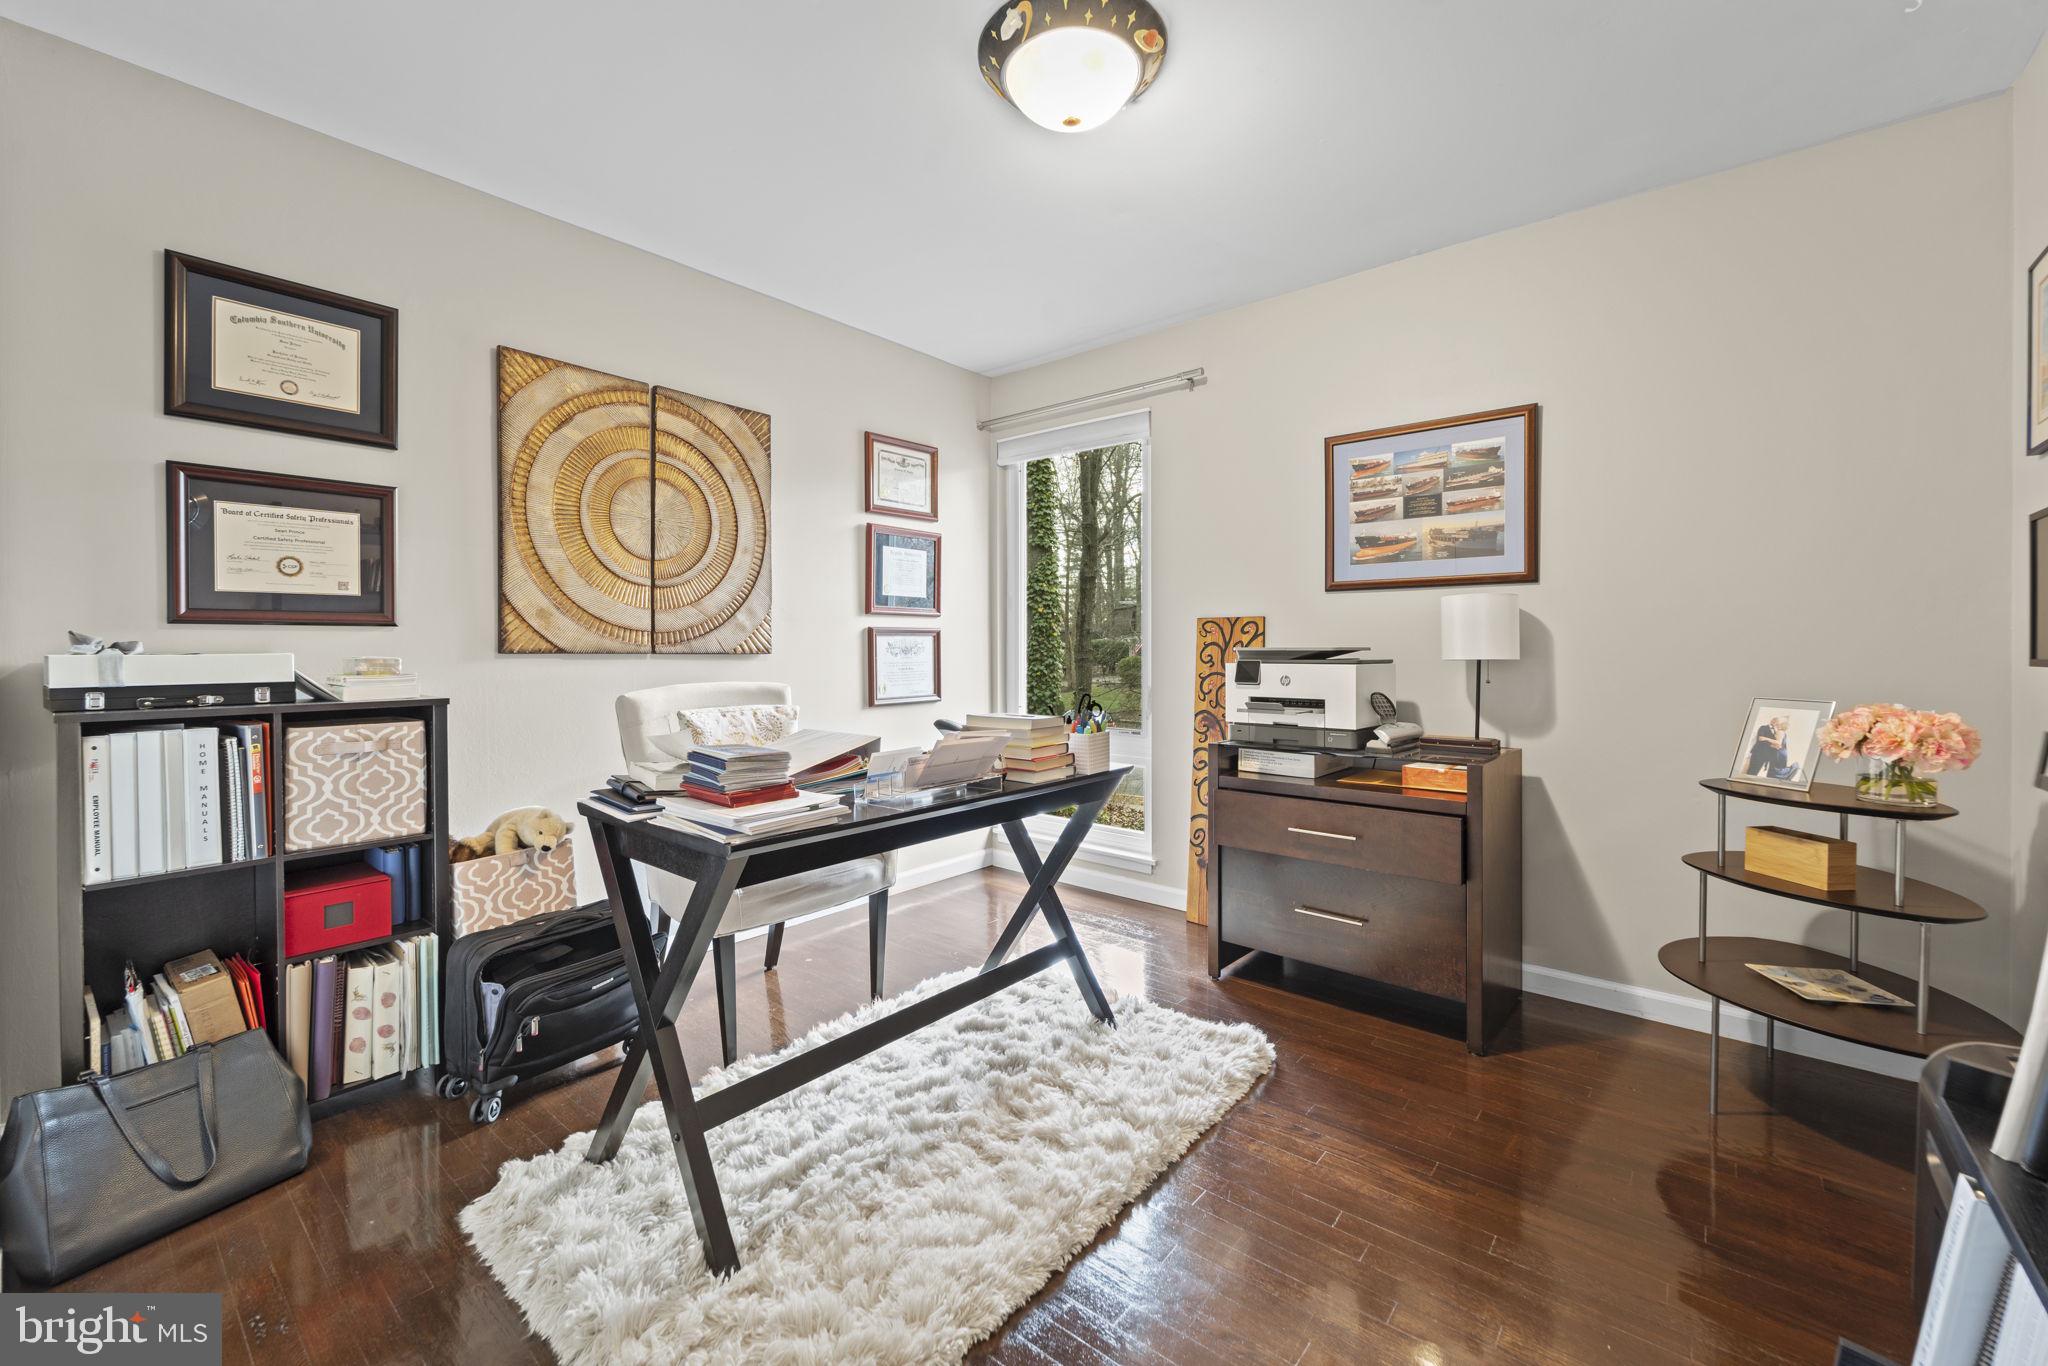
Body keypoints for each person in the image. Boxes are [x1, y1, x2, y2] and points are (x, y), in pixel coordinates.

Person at [1746, 716, 1800, 782]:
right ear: (1772, 720)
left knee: (1772, 772)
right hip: (1760, 753)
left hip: (1775, 754)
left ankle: (1775, 781)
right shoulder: (1764, 727)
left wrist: (1766, 739)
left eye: (1778, 722)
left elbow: (1778, 743)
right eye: (1776, 721)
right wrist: (1772, 745)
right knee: (1753, 771)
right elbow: (1760, 739)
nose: (1777, 723)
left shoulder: (1779, 732)